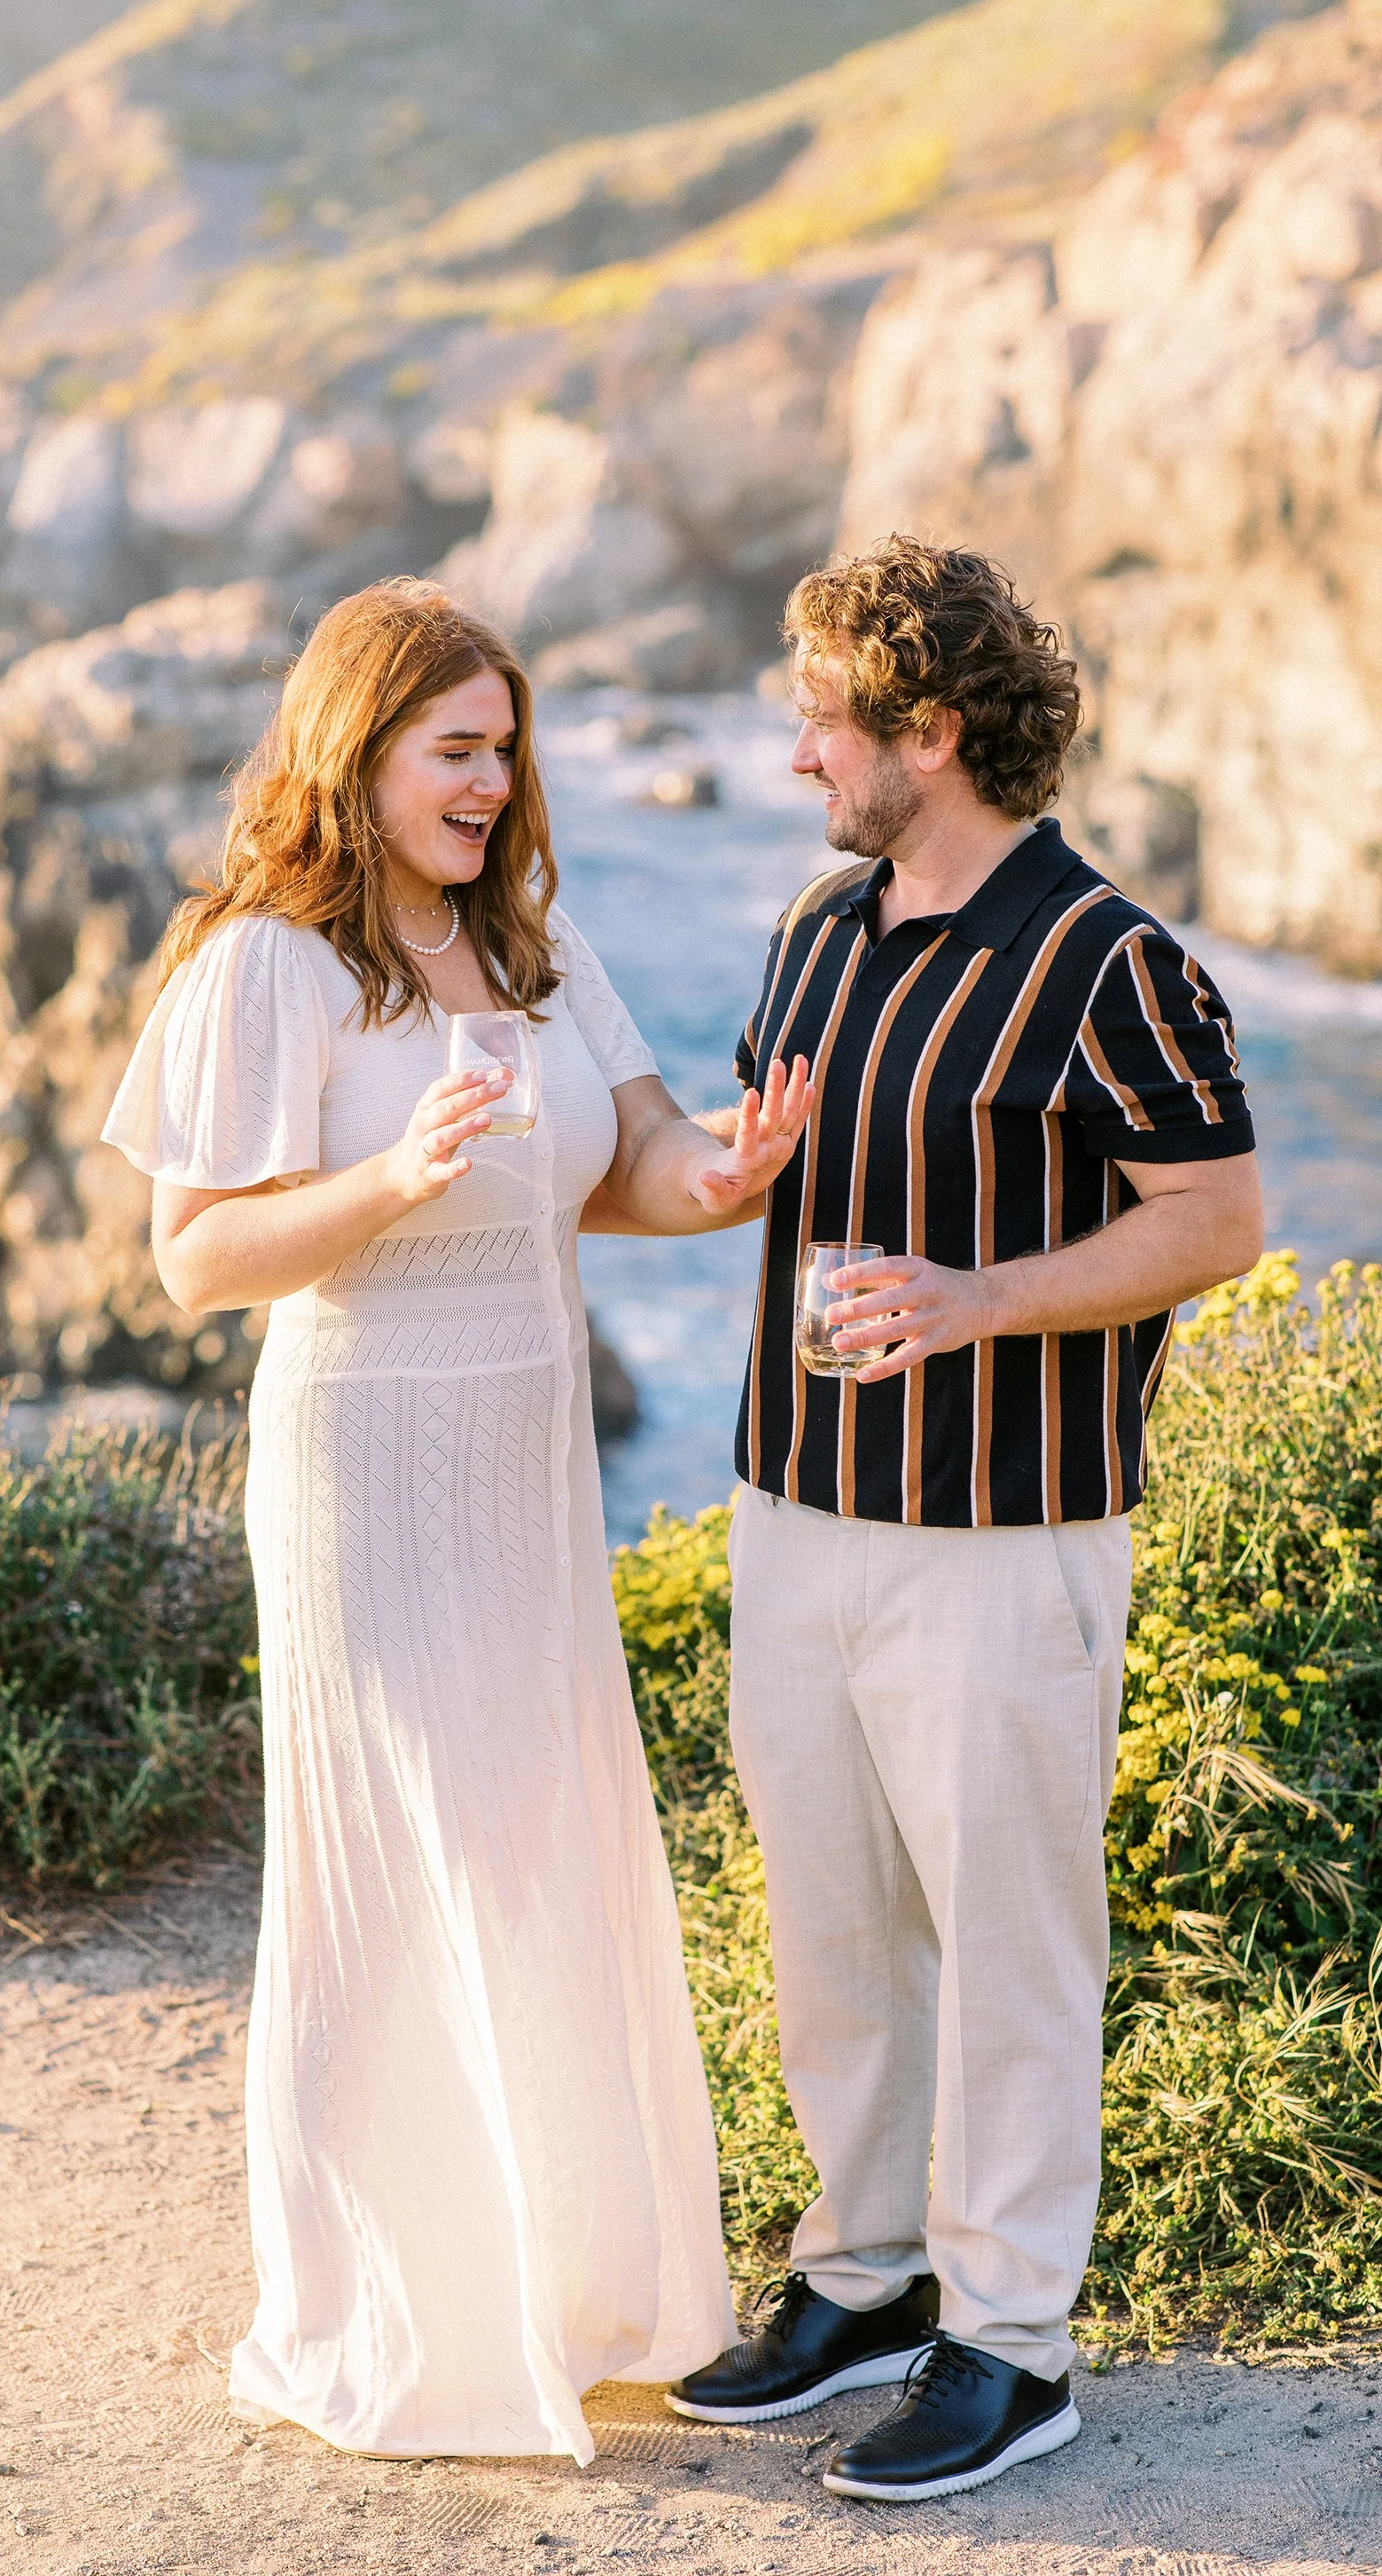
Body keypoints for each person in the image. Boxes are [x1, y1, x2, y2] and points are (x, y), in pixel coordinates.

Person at [101, 579, 808, 2463]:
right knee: (398, 1859)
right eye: (457, 749)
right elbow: (195, 1258)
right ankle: (400, 2319)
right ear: (363, 748)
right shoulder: (272, 965)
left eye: (506, 749)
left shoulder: (548, 948)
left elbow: (634, 1166)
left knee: (540, 1846)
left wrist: (732, 1166)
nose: (493, 784)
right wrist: (386, 1177)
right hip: (366, 1462)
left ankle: (571, 2300)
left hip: (524, 1452)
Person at [659, 539, 1264, 2502]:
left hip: (1009, 1540)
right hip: (793, 1509)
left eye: (823, 716)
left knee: (1006, 1939)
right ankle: (864, 2275)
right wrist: (725, 1164)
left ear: (929, 729)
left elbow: (1219, 1219)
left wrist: (976, 1300)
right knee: (832, 1922)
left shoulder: (1110, 960)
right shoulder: (817, 929)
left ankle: (1010, 2343)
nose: (797, 750)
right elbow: (760, 1149)